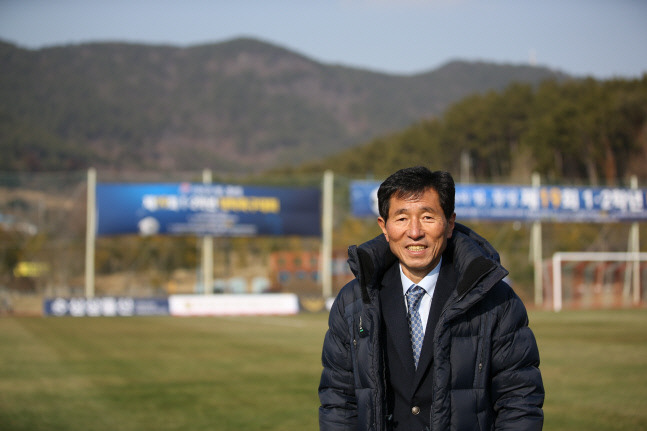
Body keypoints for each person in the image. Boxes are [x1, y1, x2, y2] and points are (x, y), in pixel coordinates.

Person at [318, 167, 544, 431]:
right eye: (401, 218)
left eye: (427, 217)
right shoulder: (354, 301)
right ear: (385, 227)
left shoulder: (495, 300)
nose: (415, 232)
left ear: (449, 224)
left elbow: (520, 400)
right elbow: (338, 401)